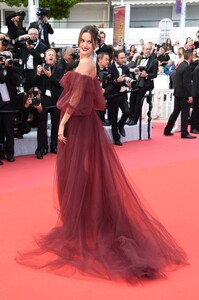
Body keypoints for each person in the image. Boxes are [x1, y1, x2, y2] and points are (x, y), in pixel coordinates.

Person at [16, 25, 187, 283]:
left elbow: (74, 100)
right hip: (83, 124)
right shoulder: (85, 62)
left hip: (78, 126)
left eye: (89, 41)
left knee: (77, 172)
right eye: (82, 40)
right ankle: (84, 220)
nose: (84, 44)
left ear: (97, 44)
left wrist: (62, 124)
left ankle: (84, 224)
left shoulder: (86, 65)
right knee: (79, 172)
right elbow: (90, 97)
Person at [164, 50, 196, 139]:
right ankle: (184, 133)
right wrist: (189, 95)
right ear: (190, 56)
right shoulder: (187, 67)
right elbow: (187, 83)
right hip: (184, 94)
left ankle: (167, 130)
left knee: (175, 112)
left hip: (177, 92)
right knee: (184, 113)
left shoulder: (180, 65)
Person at [128, 43, 158, 126]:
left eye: (150, 49)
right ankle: (130, 117)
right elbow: (131, 68)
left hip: (145, 84)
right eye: (146, 49)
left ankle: (134, 119)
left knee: (138, 101)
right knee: (132, 100)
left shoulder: (154, 61)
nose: (148, 50)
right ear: (143, 49)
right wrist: (135, 70)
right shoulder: (139, 58)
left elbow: (155, 74)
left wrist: (147, 75)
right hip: (136, 82)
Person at [107, 50, 131, 145]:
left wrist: (129, 84)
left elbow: (128, 79)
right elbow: (108, 82)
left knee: (127, 112)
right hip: (113, 96)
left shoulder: (125, 68)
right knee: (113, 118)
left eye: (124, 57)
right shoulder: (110, 68)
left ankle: (121, 125)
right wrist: (116, 80)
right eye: (121, 58)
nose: (123, 59)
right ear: (116, 58)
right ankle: (116, 138)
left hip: (123, 95)